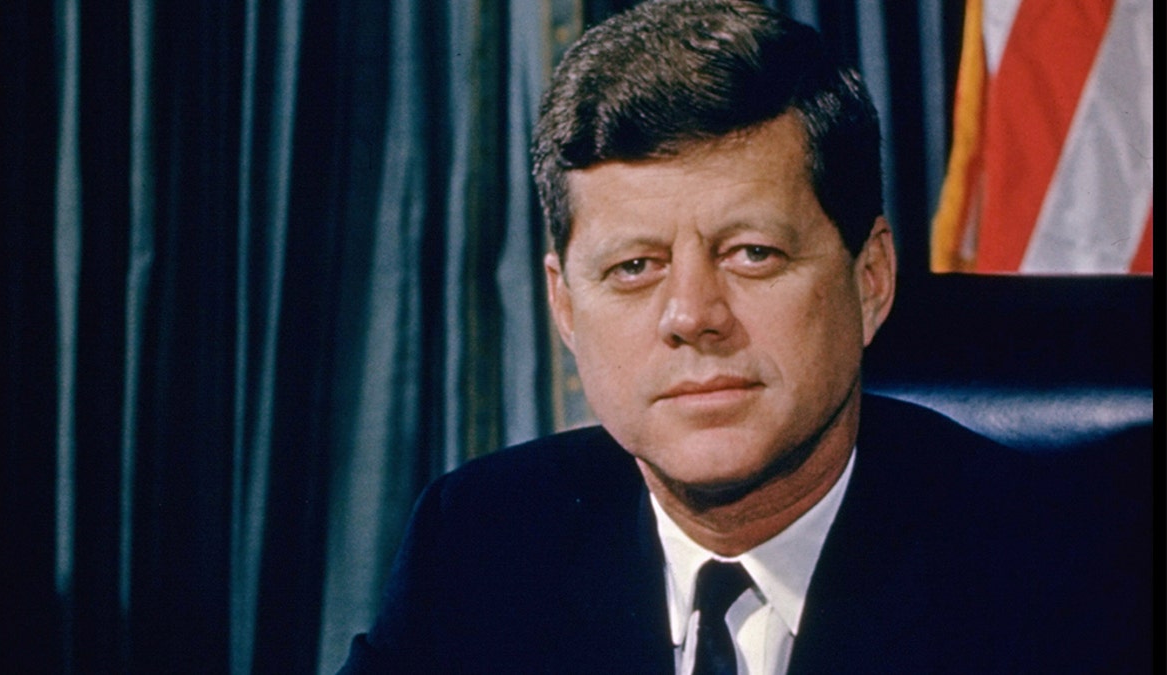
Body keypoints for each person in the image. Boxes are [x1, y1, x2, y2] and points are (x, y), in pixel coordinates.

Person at [338, 1, 1149, 672]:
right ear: (564, 306)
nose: (692, 314)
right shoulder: (481, 539)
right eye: (633, 267)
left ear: (870, 278)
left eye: (752, 254)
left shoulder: (1071, 573)